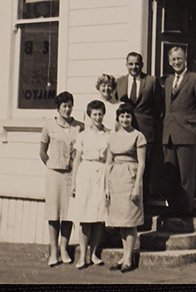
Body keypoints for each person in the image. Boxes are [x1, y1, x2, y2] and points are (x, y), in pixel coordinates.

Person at [162, 45, 196, 216]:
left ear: (185, 59)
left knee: (186, 176)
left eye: (179, 58)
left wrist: (193, 127)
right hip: (169, 135)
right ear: (169, 61)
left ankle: (186, 210)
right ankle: (173, 209)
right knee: (171, 174)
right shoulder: (167, 81)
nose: (176, 62)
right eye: (173, 59)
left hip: (187, 134)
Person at [39, 91, 83, 266]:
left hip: (72, 174)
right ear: (57, 108)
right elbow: (42, 152)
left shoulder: (79, 126)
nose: (67, 109)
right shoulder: (49, 126)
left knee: (68, 213)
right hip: (54, 175)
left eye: (70, 105)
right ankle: (53, 252)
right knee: (54, 213)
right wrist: (51, 164)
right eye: (64, 106)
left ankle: (64, 249)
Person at [104, 102, 146, 273]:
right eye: (122, 116)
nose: (125, 119)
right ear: (118, 118)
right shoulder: (112, 137)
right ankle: (124, 255)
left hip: (131, 178)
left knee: (130, 221)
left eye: (128, 116)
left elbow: (142, 162)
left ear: (131, 118)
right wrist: (107, 186)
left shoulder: (138, 136)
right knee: (121, 222)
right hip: (116, 180)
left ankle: (129, 257)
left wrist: (137, 186)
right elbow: (108, 162)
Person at [69, 100, 110, 269]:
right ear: (89, 115)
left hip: (102, 172)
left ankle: (94, 254)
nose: (98, 117)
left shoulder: (108, 134)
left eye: (100, 114)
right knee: (85, 216)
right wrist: (74, 182)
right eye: (94, 114)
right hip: (85, 173)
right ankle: (83, 256)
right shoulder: (83, 135)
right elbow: (77, 158)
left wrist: (108, 184)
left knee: (99, 216)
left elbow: (109, 159)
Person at [115, 52, 163, 198]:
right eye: (131, 63)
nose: (134, 67)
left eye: (137, 63)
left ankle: (144, 208)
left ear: (141, 65)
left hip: (146, 131)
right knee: (127, 167)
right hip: (125, 131)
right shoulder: (119, 82)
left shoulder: (151, 81)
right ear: (126, 64)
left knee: (145, 168)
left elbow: (159, 107)